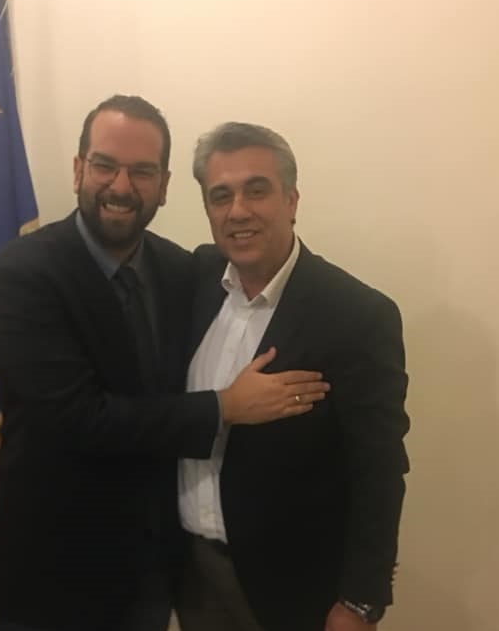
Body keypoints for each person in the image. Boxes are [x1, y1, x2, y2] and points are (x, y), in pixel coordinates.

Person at [0, 96, 328, 631]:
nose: (120, 186)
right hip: (52, 573)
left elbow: (258, 261)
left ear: (163, 185)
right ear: (78, 169)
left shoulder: (181, 269)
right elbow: (78, 419)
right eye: (104, 165)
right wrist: (224, 407)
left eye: (141, 171)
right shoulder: (22, 273)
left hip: (151, 572)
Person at [176, 122, 410, 631]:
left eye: (256, 190)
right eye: (221, 196)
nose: (238, 211)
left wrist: (362, 600)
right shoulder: (194, 281)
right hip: (191, 574)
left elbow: (379, 469)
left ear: (292, 199)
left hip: (295, 590)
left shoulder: (358, 315)